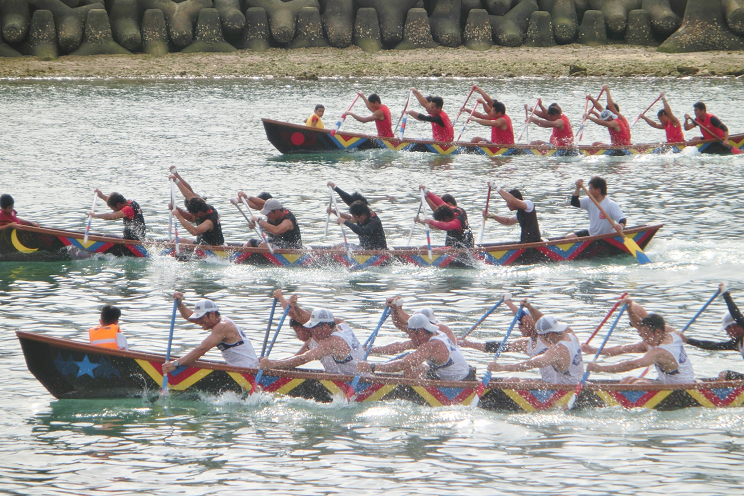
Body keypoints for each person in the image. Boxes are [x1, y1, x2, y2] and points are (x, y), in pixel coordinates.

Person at [584, 297, 695, 384]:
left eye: (645, 332)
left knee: (635, 383)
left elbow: (630, 365)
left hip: (681, 387)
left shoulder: (659, 352)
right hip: (666, 382)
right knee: (628, 380)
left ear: (657, 332)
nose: (641, 334)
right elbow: (621, 349)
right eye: (641, 331)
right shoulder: (665, 332)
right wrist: (629, 306)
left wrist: (600, 368)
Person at [258, 291, 364, 375]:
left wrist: (272, 364)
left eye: (314, 327)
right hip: (355, 375)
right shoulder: (342, 325)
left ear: (325, 327)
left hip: (357, 381)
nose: (311, 330)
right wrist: (296, 309)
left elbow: (303, 358)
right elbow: (297, 356)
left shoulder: (331, 342)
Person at [486, 300, 584, 385]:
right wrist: (530, 308)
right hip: (579, 383)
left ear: (549, 334)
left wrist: (501, 367)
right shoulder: (571, 335)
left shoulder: (557, 350)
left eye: (541, 336)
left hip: (563, 390)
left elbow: (530, 364)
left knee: (510, 381)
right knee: (513, 380)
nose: (541, 338)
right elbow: (544, 320)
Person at [162, 292, 258, 373]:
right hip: (238, 369)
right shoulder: (216, 321)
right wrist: (179, 304)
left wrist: (176, 364)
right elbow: (190, 317)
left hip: (247, 371)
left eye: (201, 318)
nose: (198, 322)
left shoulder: (223, 326)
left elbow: (202, 349)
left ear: (212, 314)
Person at [359, 313, 473, 381]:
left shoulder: (432, 345)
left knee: (410, 366)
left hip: (459, 380)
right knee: (413, 365)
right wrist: (368, 350)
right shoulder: (434, 333)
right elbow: (398, 347)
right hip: (447, 373)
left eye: (410, 332)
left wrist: (371, 367)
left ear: (420, 331)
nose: (409, 336)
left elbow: (402, 364)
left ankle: (409, 395)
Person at [459, 294, 547, 363]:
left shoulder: (548, 337)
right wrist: (468, 344)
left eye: (521, 324)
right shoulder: (525, 343)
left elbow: (529, 319)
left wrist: (509, 303)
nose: (519, 328)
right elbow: (496, 347)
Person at [683, 284, 744, 381]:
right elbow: (712, 345)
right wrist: (687, 340)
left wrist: (726, 294)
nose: (727, 334)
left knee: (724, 375)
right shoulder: (737, 343)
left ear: (734, 326)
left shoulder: (739, 324)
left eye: (727, 330)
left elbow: (737, 316)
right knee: (724, 375)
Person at [169, 169, 224, 246]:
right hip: (201, 244)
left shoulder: (210, 220)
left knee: (181, 241)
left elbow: (194, 231)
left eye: (192, 213)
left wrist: (179, 217)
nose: (191, 215)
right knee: (178, 240)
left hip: (213, 247)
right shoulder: (202, 206)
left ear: (199, 213)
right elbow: (189, 194)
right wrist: (176, 180)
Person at [327, 182, 387, 250]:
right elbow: (349, 218)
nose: (354, 218)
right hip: (363, 248)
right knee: (336, 247)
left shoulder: (374, 221)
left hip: (377, 251)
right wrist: (334, 211)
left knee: (342, 248)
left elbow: (362, 231)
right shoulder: (362, 215)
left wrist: (345, 222)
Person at [384, 295, 458, 346]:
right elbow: (402, 324)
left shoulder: (435, 335)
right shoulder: (428, 331)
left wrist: (396, 309)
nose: (410, 333)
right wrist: (396, 308)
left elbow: (402, 325)